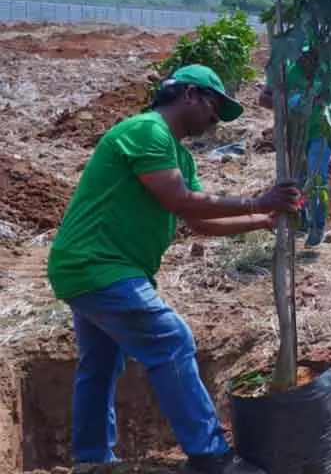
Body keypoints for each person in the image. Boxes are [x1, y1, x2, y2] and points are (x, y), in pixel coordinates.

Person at [47, 65, 301, 474]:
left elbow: (199, 221)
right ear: (188, 94)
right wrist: (257, 200)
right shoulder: (147, 131)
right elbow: (180, 201)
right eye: (214, 106)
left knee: (101, 363)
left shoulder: (179, 155)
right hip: (98, 266)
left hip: (93, 268)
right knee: (171, 338)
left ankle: (92, 459)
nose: (216, 118)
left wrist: (263, 220)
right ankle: (209, 455)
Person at [257, 46, 331, 246]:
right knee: (297, 179)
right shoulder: (287, 71)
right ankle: (302, 220)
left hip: (321, 131)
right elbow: (263, 98)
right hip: (295, 133)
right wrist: (287, 105)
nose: (308, 62)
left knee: (317, 177)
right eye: (304, 57)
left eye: (313, 57)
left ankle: (317, 226)